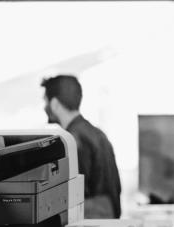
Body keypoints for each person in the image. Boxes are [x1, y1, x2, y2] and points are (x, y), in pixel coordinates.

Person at [41, 75, 122, 219]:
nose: (44, 107)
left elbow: (76, 195)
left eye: (45, 101)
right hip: (108, 224)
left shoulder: (71, 141)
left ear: (54, 104)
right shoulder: (98, 134)